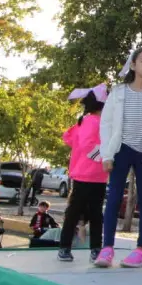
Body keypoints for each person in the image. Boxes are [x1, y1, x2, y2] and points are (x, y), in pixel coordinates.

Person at [96, 46, 142, 269]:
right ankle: (107, 248)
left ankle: (141, 249)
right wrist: (107, 155)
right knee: (115, 197)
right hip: (121, 149)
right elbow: (106, 124)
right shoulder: (118, 92)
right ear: (133, 65)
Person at [58, 84, 110, 262]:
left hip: (92, 176)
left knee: (81, 212)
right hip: (90, 174)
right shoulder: (92, 122)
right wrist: (106, 159)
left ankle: (73, 248)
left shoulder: (85, 121)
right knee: (88, 213)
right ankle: (86, 248)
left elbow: (68, 137)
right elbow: (88, 144)